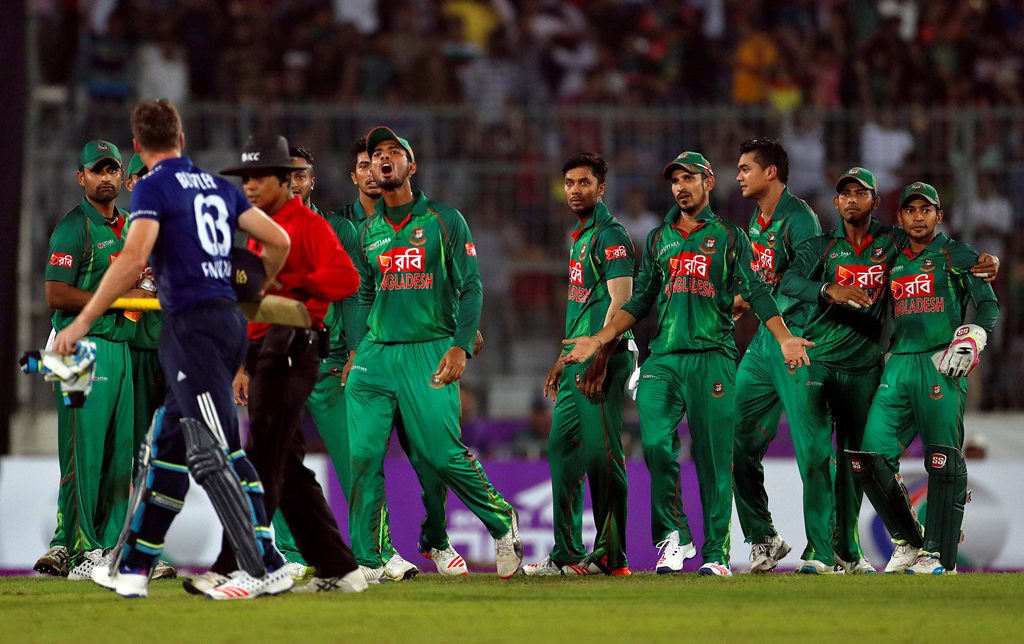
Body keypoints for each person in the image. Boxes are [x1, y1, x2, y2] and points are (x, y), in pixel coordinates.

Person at [54, 98, 293, 600]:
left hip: (193, 329)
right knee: (163, 450)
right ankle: (133, 566)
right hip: (221, 323)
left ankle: (267, 564)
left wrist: (83, 320)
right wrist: (247, 290)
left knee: (218, 453)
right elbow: (278, 242)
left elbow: (131, 259)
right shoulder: (214, 185)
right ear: (182, 140)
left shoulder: (155, 187)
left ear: (138, 148)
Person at [561, 151, 814, 577]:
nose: (680, 186)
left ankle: (716, 554)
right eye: (675, 179)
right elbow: (640, 300)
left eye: (689, 178)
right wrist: (602, 338)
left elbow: (757, 291)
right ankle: (673, 538)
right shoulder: (660, 238)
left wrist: (785, 338)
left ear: (708, 183)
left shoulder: (732, 237)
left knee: (715, 460)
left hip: (713, 358)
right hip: (664, 359)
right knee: (658, 447)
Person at [345, 126, 523, 578]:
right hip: (375, 354)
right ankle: (367, 560)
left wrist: (461, 344)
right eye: (376, 154)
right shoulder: (369, 232)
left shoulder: (445, 219)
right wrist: (354, 349)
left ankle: (502, 523)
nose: (383, 159)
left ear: (411, 165)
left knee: (442, 455)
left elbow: (472, 285)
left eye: (393, 152)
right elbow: (366, 293)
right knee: (363, 456)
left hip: (429, 350)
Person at [192, 134, 365, 594]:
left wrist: (296, 284)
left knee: (262, 456)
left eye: (258, 177)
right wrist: (242, 361)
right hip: (266, 349)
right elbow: (252, 309)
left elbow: (348, 278)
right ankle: (339, 569)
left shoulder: (306, 226)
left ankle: (239, 566)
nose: (249, 186)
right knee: (284, 466)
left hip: (296, 343)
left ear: (286, 181)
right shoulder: (257, 231)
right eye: (244, 178)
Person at [267, 142, 431, 582]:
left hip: (329, 364)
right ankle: (289, 552)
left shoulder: (339, 230)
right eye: (287, 176)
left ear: (312, 181)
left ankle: (374, 553)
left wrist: (357, 352)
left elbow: (357, 297)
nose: (295, 183)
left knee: (359, 459)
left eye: (301, 175)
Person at [848, 181, 999, 575]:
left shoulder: (956, 254)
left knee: (942, 458)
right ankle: (910, 542)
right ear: (900, 217)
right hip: (897, 364)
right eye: (911, 210)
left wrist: (973, 336)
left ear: (939, 215)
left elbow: (987, 304)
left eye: (926, 210)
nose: (919, 217)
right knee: (870, 459)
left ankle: (939, 556)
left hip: (940, 363)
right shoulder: (894, 251)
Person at [522, 152, 634, 577]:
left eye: (584, 183)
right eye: (569, 183)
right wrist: (562, 358)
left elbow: (621, 304)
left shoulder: (611, 235)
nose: (575, 190)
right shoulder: (581, 237)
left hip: (601, 362)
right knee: (561, 452)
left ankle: (611, 555)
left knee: (603, 457)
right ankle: (567, 555)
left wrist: (600, 360)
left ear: (601, 188)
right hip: (577, 363)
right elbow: (585, 307)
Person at [38, 140, 144, 580]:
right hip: (77, 347)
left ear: (122, 177)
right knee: (82, 454)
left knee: (119, 456)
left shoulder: (130, 228)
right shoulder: (73, 227)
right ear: (80, 177)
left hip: (119, 347)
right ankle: (83, 550)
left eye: (112, 170)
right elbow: (55, 294)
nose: (105, 178)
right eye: (96, 170)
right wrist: (117, 300)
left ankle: (105, 546)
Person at [729, 137, 823, 573]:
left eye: (746, 168)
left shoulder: (800, 220)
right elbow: (763, 276)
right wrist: (744, 301)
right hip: (766, 341)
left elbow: (801, 283)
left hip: (798, 340)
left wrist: (768, 301)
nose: (739, 175)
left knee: (812, 449)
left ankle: (826, 548)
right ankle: (764, 538)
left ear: (771, 173)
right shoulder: (758, 218)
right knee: (737, 440)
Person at [122, 152, 175, 580]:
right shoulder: (123, 232)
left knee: (174, 456)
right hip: (134, 353)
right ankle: (127, 549)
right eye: (142, 177)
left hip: (175, 352)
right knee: (135, 455)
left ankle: (145, 550)